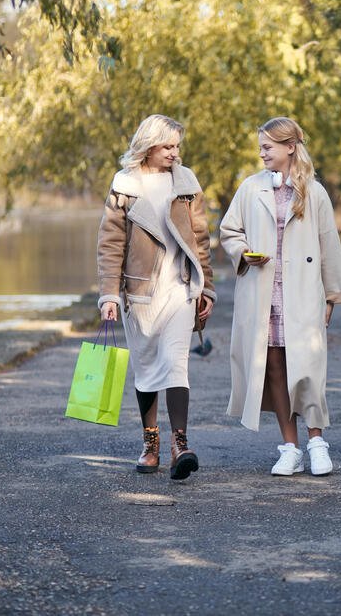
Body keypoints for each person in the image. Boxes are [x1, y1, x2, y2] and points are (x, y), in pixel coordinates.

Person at [220, 117, 341, 476]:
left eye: (267, 147)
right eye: (260, 147)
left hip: (303, 292)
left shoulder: (314, 192)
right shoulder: (250, 188)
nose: (261, 153)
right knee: (273, 368)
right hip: (263, 293)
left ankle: (317, 442)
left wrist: (332, 295)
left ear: (290, 147)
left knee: (307, 369)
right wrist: (243, 251)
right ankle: (289, 447)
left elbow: (329, 246)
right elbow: (229, 230)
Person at [97, 114, 216, 481]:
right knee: (147, 369)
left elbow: (201, 238)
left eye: (177, 146)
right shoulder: (125, 186)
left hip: (180, 288)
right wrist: (108, 294)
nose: (174, 153)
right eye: (167, 146)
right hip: (140, 293)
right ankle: (151, 443)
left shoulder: (185, 182)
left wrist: (206, 286)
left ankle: (181, 443)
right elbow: (111, 244)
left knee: (176, 361)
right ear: (149, 145)